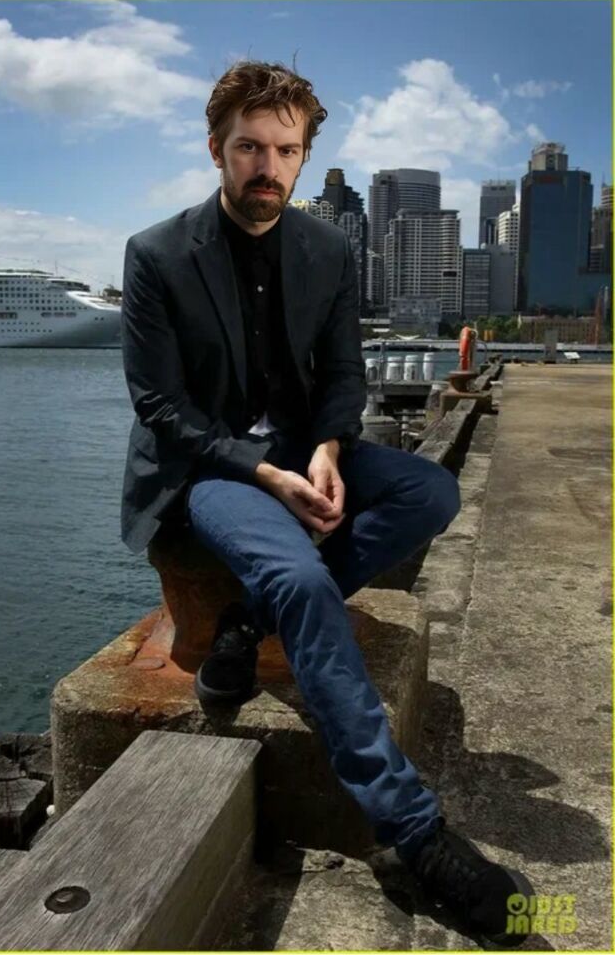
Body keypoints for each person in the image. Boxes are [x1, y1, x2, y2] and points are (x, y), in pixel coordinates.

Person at [120, 60, 534, 947]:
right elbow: (160, 408)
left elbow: (345, 374)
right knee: (304, 580)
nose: (266, 167)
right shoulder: (156, 255)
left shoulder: (329, 251)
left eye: (285, 151)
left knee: (431, 490)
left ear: (304, 157)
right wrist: (267, 474)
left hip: (301, 451)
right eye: (249, 148)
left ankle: (244, 622)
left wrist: (328, 449)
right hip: (211, 468)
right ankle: (412, 833)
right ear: (216, 150)